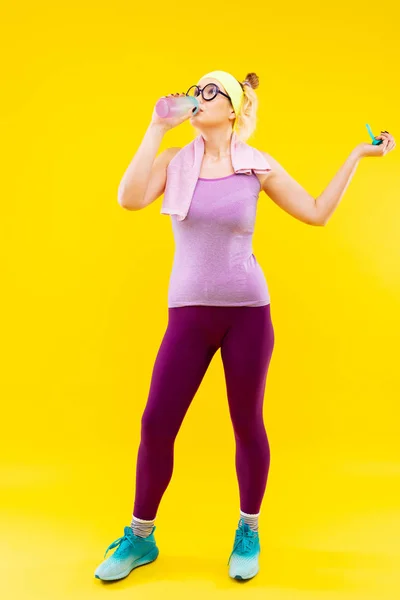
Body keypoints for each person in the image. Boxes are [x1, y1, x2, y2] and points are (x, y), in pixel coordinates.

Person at [94, 70, 396, 583]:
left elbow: (318, 213)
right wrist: (154, 128)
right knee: (155, 424)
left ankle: (248, 529)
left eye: (211, 90)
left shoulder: (256, 166)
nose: (198, 96)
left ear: (233, 109)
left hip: (248, 316)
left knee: (247, 423)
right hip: (188, 315)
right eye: (196, 88)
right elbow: (128, 198)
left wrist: (357, 157)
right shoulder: (174, 161)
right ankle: (140, 537)